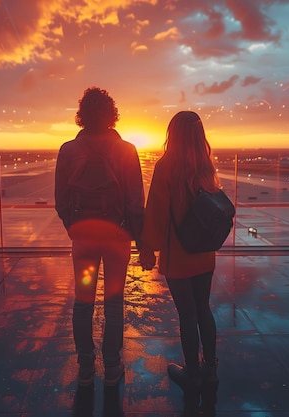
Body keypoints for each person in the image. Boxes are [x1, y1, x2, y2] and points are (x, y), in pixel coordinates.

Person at [55, 87, 145, 387]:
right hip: (116, 236)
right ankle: (112, 365)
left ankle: (84, 365)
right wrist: (138, 240)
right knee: (114, 302)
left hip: (83, 238)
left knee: (83, 302)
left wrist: (75, 227)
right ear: (111, 114)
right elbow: (135, 202)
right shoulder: (127, 150)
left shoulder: (68, 150)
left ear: (82, 114)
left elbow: (61, 200)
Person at [139, 110, 220, 390]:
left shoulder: (166, 166)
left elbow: (157, 212)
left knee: (187, 314)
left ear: (172, 135)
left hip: (179, 255)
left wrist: (148, 247)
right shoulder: (206, 165)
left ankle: (192, 373)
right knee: (203, 310)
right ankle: (211, 368)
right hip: (205, 253)